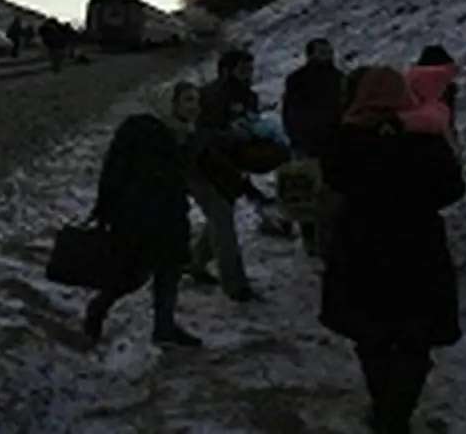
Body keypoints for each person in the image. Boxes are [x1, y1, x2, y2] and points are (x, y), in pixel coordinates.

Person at [320, 66, 464, 434]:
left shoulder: (346, 138)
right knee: (415, 337)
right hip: (418, 248)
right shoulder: (425, 137)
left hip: (361, 247)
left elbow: (334, 178)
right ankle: (395, 415)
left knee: (372, 335)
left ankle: (384, 405)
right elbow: (452, 190)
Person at [82, 82, 204, 348]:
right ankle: (97, 310)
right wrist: (107, 208)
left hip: (170, 215)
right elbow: (114, 169)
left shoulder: (186, 134)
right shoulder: (140, 130)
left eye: (196, 100)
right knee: (131, 275)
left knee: (169, 272)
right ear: (170, 103)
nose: (194, 107)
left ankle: (165, 328)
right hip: (137, 216)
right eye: (187, 100)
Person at [188, 49, 268, 301]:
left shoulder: (249, 97)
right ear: (226, 70)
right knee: (223, 222)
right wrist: (232, 136)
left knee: (219, 219)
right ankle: (236, 286)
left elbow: (250, 128)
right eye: (243, 70)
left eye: (250, 70)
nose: (248, 75)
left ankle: (195, 263)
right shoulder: (207, 96)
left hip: (229, 169)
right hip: (201, 167)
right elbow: (199, 135)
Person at [280, 38, 344, 256]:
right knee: (306, 193)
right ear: (310, 54)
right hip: (307, 143)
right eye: (321, 52)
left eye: (328, 51)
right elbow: (291, 112)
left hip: (334, 144)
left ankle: (329, 237)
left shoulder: (339, 79)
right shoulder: (298, 80)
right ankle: (310, 238)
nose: (326, 55)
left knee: (331, 192)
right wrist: (298, 138)